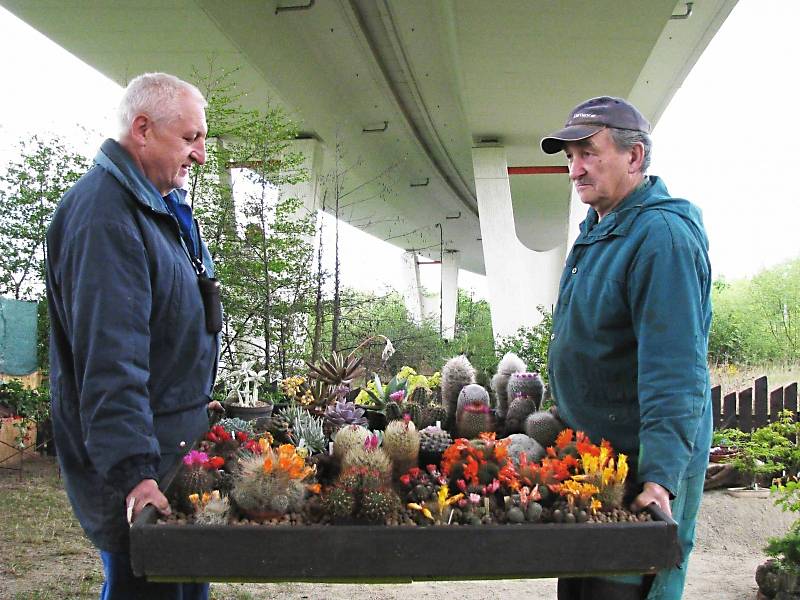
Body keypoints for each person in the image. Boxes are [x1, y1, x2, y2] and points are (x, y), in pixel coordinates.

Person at [46, 72, 221, 599]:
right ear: (142, 128)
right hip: (144, 478)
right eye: (190, 138)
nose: (201, 156)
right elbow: (111, 360)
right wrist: (135, 476)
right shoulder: (105, 215)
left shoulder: (154, 203)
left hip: (173, 454)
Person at [541, 96, 712, 600]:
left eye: (589, 152)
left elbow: (676, 371)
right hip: (592, 458)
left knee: (621, 590)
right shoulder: (600, 229)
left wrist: (658, 480)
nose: (575, 169)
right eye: (570, 157)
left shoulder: (661, 238)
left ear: (634, 157)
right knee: (581, 587)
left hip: (638, 466)